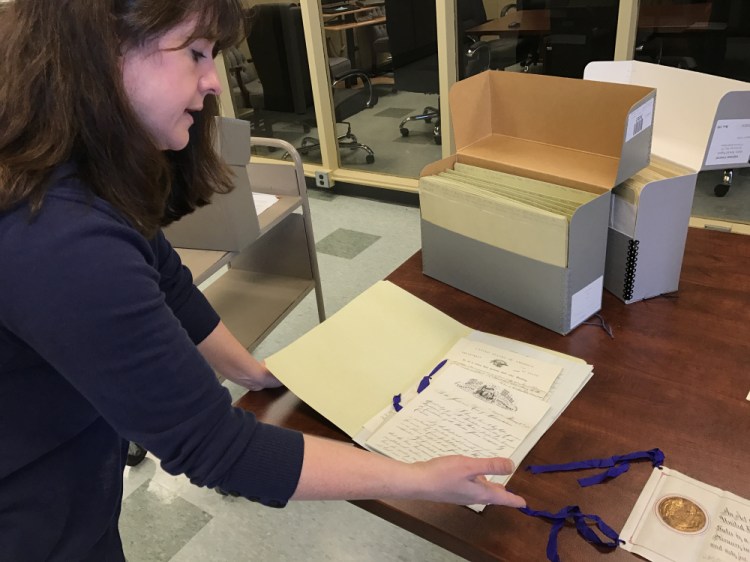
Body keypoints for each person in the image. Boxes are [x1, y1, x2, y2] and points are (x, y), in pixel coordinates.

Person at [0, 1, 526, 559]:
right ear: (100, 51)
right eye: (196, 53)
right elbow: (215, 447)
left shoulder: (72, 176)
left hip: (71, 480)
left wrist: (249, 370)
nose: (214, 86)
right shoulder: (59, 239)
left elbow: (169, 282)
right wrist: (417, 480)